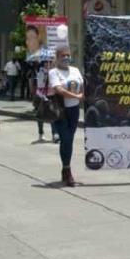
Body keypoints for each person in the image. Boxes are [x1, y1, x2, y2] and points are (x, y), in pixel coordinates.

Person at [48, 46, 84, 187]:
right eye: (63, 55)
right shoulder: (53, 72)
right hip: (60, 110)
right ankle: (68, 171)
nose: (66, 58)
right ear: (57, 57)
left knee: (69, 140)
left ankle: (65, 168)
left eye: (68, 55)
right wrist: (76, 95)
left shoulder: (75, 70)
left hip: (74, 110)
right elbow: (58, 89)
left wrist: (82, 94)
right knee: (66, 139)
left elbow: (82, 85)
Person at [33, 60, 59, 143]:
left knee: (53, 115)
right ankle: (41, 133)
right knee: (41, 116)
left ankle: (54, 134)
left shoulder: (53, 73)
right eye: (47, 63)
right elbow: (39, 87)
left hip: (52, 96)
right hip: (42, 97)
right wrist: (43, 97)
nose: (49, 64)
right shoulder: (41, 73)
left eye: (50, 63)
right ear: (43, 64)